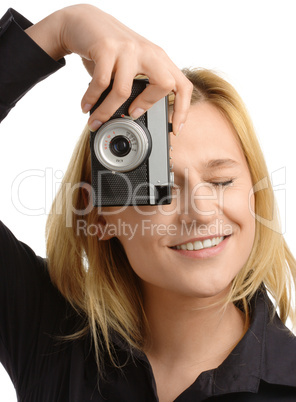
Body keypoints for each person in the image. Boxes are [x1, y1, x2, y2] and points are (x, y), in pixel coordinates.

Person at [1, 4, 296, 402]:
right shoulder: (47, 336)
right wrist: (60, 30)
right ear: (99, 213)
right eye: (164, 189)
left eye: (222, 180)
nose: (202, 211)